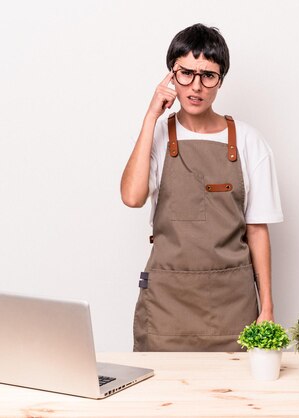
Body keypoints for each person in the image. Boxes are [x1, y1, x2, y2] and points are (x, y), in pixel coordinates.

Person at [121, 23, 283, 352]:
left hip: (232, 308)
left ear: (220, 81)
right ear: (171, 75)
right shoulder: (157, 137)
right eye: (186, 73)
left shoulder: (250, 142)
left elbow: (257, 230)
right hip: (167, 305)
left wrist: (266, 308)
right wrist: (151, 117)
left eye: (208, 75)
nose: (196, 86)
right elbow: (132, 197)